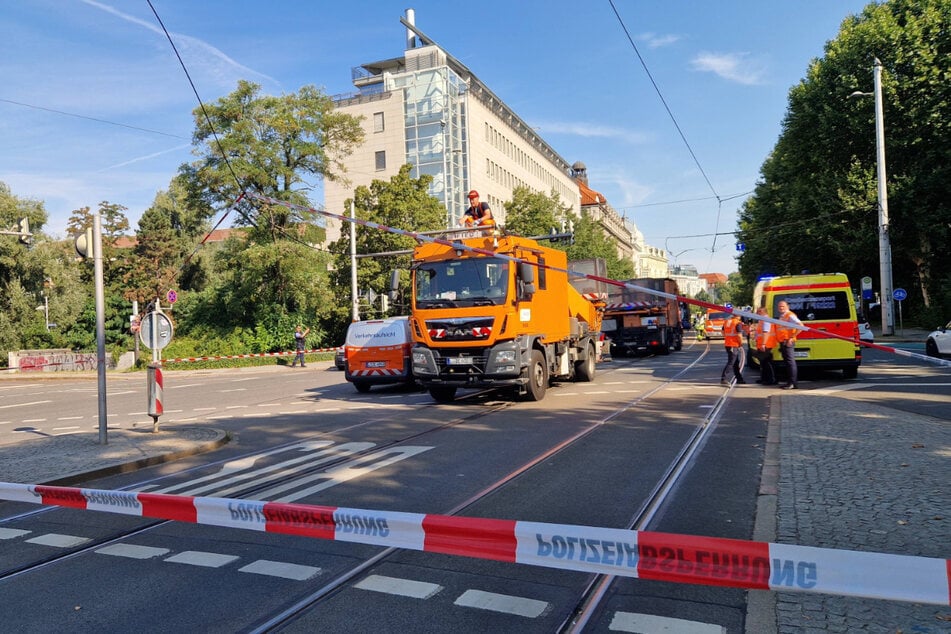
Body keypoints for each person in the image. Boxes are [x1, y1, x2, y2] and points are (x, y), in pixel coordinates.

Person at [776, 300, 802, 389]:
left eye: (783, 306)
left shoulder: (790, 315)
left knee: (790, 363)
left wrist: (791, 337)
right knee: (788, 362)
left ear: (787, 307)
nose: (781, 308)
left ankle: (792, 383)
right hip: (783, 341)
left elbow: (800, 326)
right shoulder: (782, 316)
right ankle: (790, 382)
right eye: (779, 306)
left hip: (788, 341)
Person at [753, 306, 778, 385]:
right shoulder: (762, 320)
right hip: (762, 344)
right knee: (763, 363)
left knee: (767, 363)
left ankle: (771, 379)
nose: (757, 313)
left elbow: (766, 332)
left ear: (762, 312)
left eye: (758, 312)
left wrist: (763, 344)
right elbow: (760, 333)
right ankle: (764, 379)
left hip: (766, 344)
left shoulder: (766, 320)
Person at [720, 312, 747, 385]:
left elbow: (722, 331)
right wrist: (741, 343)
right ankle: (723, 379)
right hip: (734, 345)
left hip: (728, 344)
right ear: (739, 315)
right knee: (731, 362)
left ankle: (739, 378)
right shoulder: (737, 323)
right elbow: (739, 335)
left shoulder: (727, 321)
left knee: (735, 362)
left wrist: (728, 337)